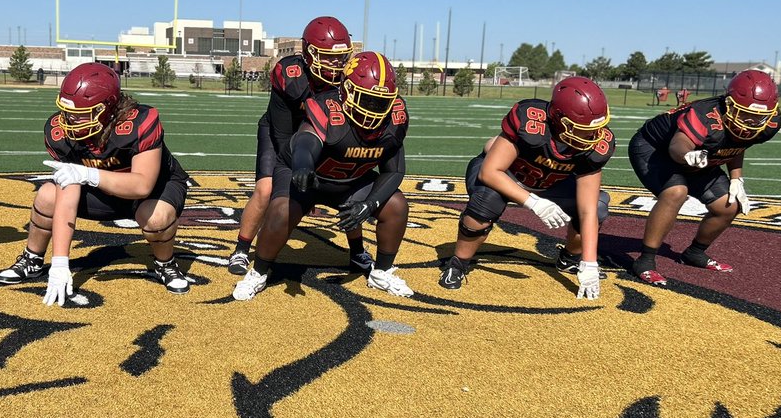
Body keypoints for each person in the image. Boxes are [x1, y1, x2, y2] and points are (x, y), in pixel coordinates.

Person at [0, 62, 189, 302]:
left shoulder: (137, 122)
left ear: (106, 108)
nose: (70, 120)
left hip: (154, 189)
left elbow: (142, 185)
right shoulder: (61, 133)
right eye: (67, 112)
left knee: (155, 217)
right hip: (104, 193)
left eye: (79, 114)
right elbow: (68, 193)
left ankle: (165, 263)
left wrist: (88, 174)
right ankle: (32, 258)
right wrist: (60, 263)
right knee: (47, 196)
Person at [232, 51, 413, 301]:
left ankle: (381, 272)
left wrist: (369, 204)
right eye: (367, 99)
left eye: (381, 102)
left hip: (350, 181)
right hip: (312, 178)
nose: (374, 109)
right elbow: (306, 141)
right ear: (347, 90)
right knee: (281, 209)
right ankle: (258, 272)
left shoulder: (394, 119)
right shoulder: (328, 108)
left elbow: (395, 170)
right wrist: (303, 166)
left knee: (396, 205)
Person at [439, 76, 615, 300]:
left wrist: (589, 262)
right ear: (560, 120)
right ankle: (458, 263)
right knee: (486, 201)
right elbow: (490, 171)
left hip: (551, 184)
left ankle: (570, 259)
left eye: (598, 127)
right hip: (507, 176)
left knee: (599, 206)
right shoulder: (531, 123)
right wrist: (534, 202)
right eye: (584, 129)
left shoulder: (597, 144)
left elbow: (588, 209)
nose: (594, 136)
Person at [226, 16, 372, 278]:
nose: (336, 64)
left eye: (341, 57)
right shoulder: (289, 74)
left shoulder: (349, 78)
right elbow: (283, 136)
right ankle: (241, 248)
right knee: (266, 188)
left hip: (328, 133)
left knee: (347, 185)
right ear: (309, 54)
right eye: (328, 57)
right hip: (283, 131)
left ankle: (357, 250)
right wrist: (297, 179)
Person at [628, 69, 781, 286]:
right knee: (676, 192)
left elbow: (737, 144)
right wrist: (688, 155)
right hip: (656, 149)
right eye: (745, 113)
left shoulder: (770, 122)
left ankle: (695, 253)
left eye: (759, 117)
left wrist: (737, 178)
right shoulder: (705, 114)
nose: (752, 121)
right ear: (728, 104)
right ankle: (645, 261)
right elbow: (678, 145)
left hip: (702, 154)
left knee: (728, 205)